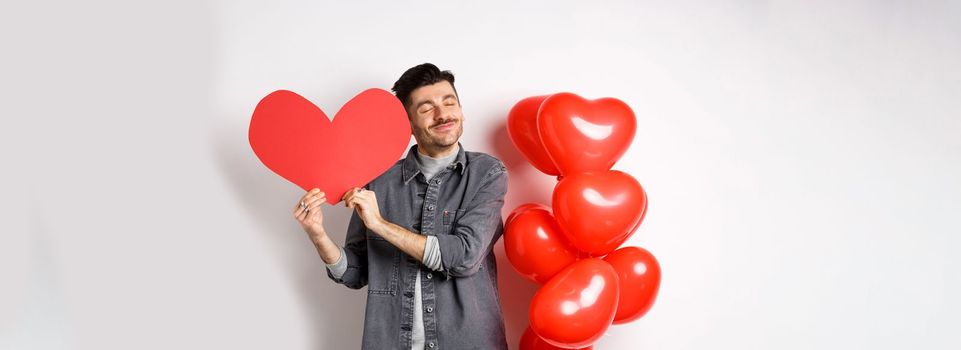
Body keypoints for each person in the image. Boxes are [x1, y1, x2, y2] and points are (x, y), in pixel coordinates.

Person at [292, 63, 509, 349]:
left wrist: (380, 225)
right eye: (426, 108)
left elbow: (463, 257)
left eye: (449, 102)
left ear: (461, 110)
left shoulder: (487, 174)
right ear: (408, 123)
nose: (443, 114)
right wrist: (318, 234)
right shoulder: (377, 182)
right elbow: (355, 272)